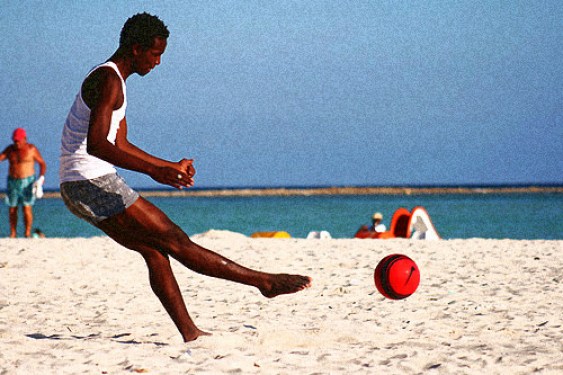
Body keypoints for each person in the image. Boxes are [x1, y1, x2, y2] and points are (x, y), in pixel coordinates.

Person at [59, 13, 311, 343]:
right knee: (176, 240)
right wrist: (153, 171)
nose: (158, 62)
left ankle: (190, 332)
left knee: (154, 250)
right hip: (89, 181)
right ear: (136, 49)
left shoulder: (115, 80)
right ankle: (264, 282)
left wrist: (168, 167)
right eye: (155, 54)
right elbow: (97, 144)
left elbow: (120, 143)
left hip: (77, 184)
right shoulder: (108, 80)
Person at [0, 128, 47, 238]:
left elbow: (42, 163)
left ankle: (27, 233)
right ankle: (13, 233)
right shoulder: (10, 150)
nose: (17, 143)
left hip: (27, 181)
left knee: (27, 207)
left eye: (19, 141)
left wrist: (41, 178)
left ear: (24, 139)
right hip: (13, 181)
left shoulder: (31, 149)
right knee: (12, 207)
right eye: (15, 141)